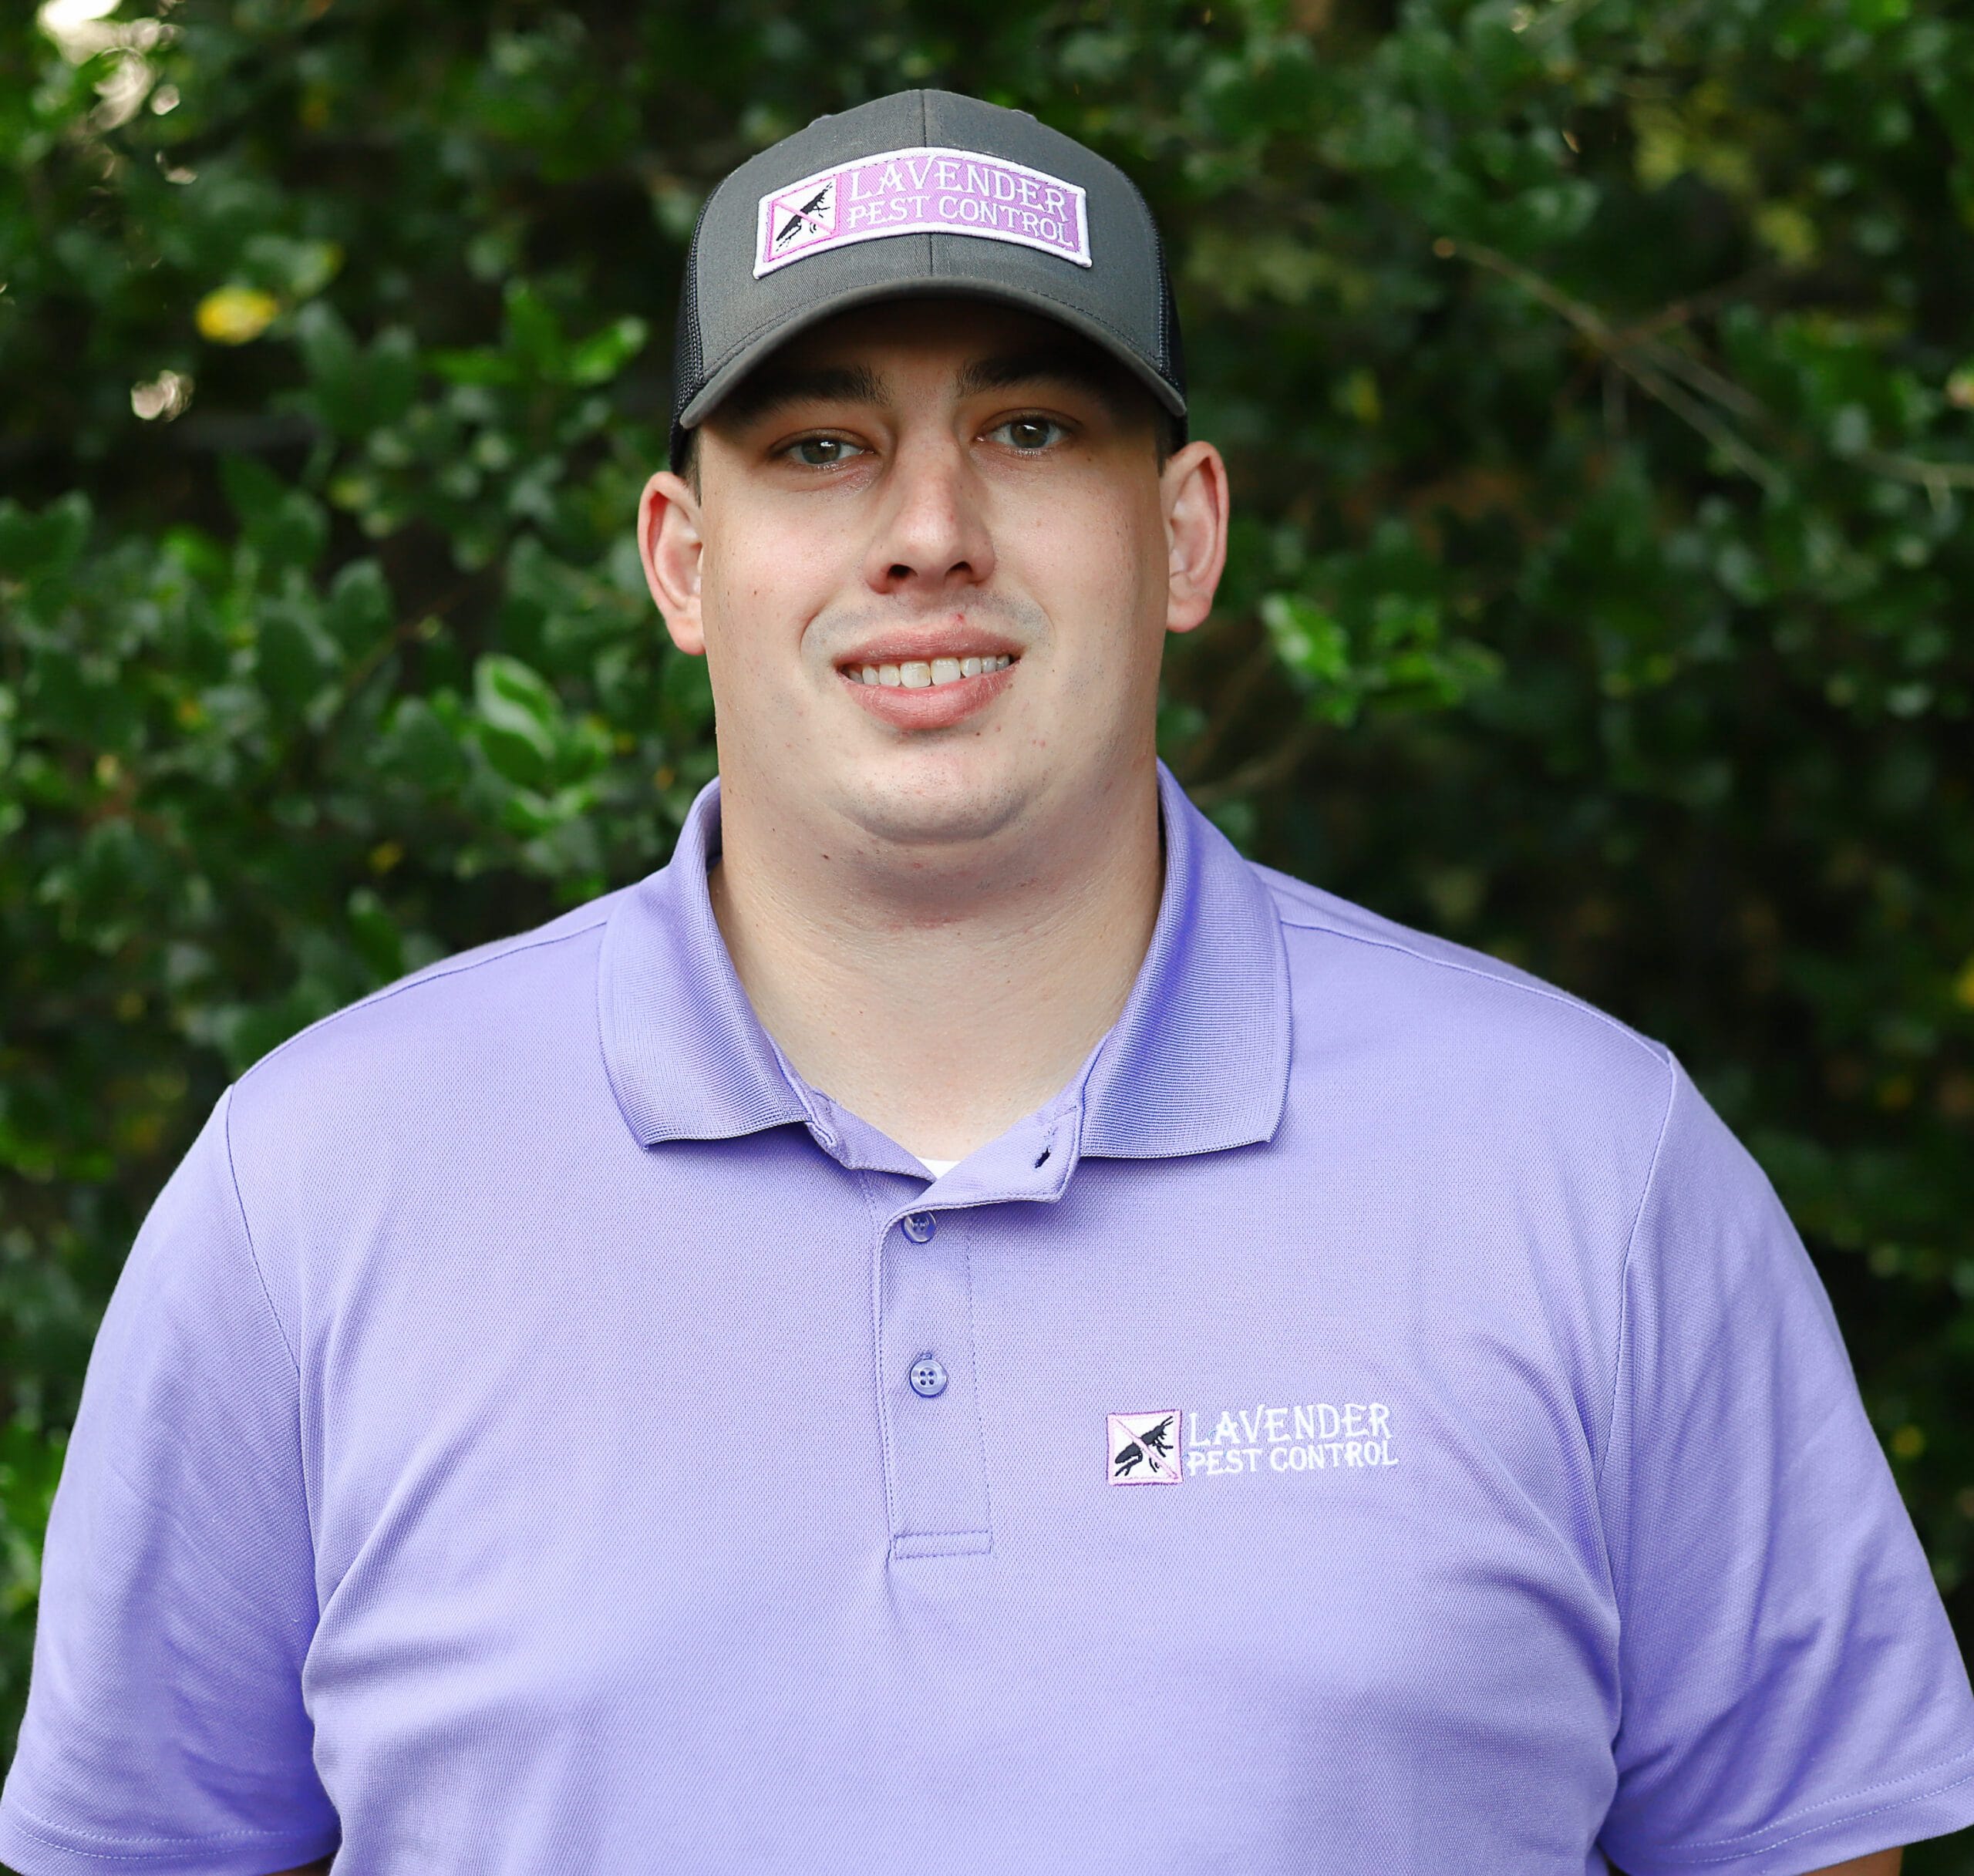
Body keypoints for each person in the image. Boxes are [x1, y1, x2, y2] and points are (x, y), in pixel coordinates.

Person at [2, 87, 1971, 1876]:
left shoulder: (1592, 1169)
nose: (927, 533)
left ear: (1180, 533)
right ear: (684, 561)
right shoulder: (315, 1191)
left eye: (1030, 430)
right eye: (820, 445)